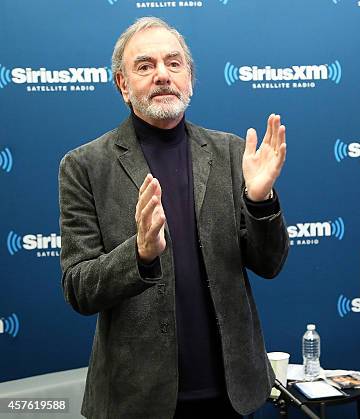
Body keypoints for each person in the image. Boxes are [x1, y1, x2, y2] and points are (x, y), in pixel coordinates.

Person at [58, 16, 289, 419]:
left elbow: (269, 264)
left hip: (231, 395)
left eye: (174, 63)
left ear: (190, 78)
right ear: (123, 85)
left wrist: (260, 200)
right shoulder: (84, 166)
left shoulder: (233, 153)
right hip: (137, 400)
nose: (162, 75)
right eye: (145, 66)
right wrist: (140, 254)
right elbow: (78, 288)